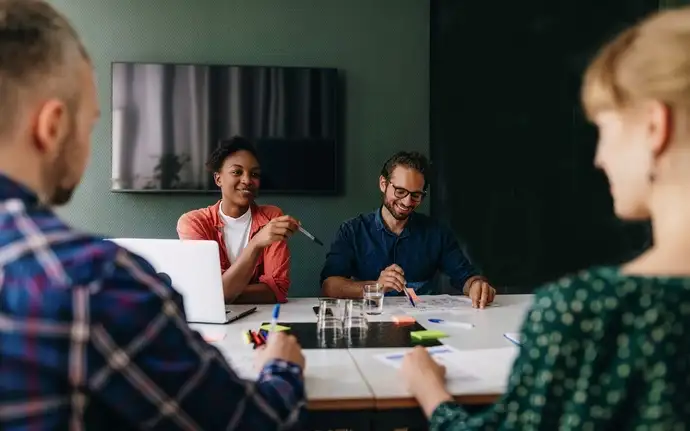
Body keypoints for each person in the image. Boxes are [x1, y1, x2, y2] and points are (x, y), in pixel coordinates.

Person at [0, 1, 306, 429]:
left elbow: (272, 290)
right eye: (89, 125)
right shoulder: (96, 281)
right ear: (52, 126)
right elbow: (249, 421)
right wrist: (284, 367)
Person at [400, 6, 690, 429]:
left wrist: (429, 389)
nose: (599, 157)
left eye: (604, 129)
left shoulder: (586, 314)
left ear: (653, 126)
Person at [321, 151, 496, 308]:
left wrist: (476, 285)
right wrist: (376, 286)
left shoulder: (437, 233)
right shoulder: (352, 231)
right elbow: (329, 286)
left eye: (416, 195)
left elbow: (466, 277)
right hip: (370, 319)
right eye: (400, 192)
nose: (407, 202)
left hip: (425, 323)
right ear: (383, 184)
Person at [177, 137, 299, 304]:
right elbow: (208, 292)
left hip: (261, 320)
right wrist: (256, 244)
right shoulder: (194, 223)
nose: (247, 180)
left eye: (254, 174)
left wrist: (222, 292)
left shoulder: (272, 217)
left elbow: (276, 289)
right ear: (218, 179)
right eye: (237, 172)